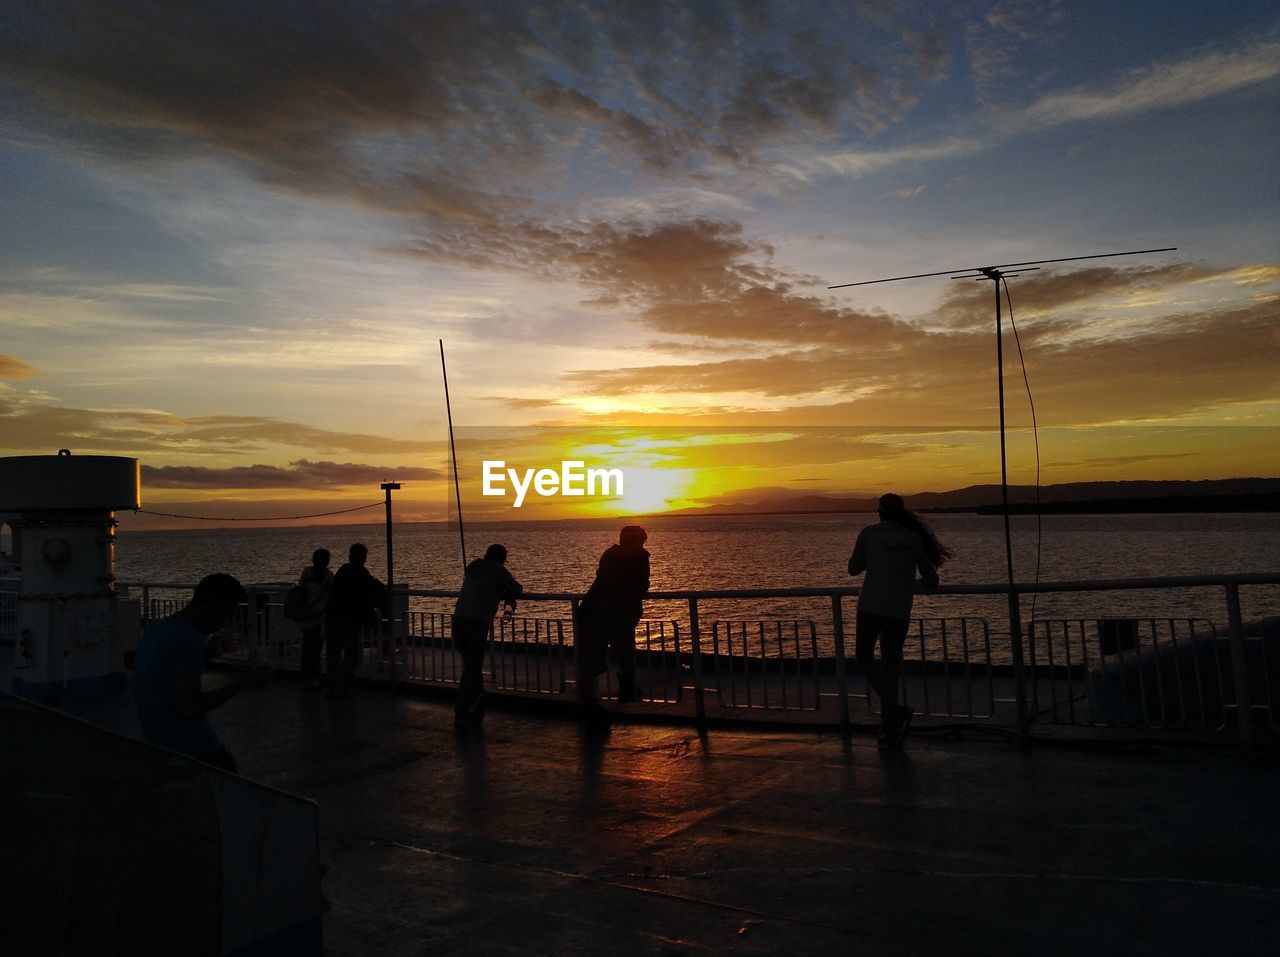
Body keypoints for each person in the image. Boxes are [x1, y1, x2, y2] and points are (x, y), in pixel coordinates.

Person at [133, 573, 273, 773]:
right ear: (214, 606)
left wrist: (210, 653)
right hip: (195, 748)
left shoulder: (157, 629)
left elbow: (169, 672)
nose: (224, 623)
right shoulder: (189, 639)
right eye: (227, 614)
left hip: (158, 743)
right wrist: (245, 682)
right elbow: (191, 706)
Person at [848, 493, 950, 749]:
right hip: (898, 610)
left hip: (870, 606)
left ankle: (893, 715)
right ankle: (889, 726)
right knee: (891, 668)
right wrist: (913, 583)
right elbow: (931, 578)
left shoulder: (869, 534)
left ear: (879, 512)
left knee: (864, 659)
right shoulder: (913, 539)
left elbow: (853, 568)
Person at [575, 525, 650, 728]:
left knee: (589, 663)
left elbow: (602, 575)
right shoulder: (640, 556)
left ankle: (589, 705)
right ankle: (626, 693)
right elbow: (642, 585)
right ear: (638, 541)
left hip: (592, 610)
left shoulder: (609, 553)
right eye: (642, 541)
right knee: (625, 651)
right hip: (618, 613)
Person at [451, 544, 523, 732]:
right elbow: (517, 588)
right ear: (502, 559)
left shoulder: (474, 566)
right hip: (477, 622)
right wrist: (505, 594)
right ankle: (462, 709)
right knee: (472, 666)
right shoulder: (498, 570)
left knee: (471, 665)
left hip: (458, 619)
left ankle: (479, 699)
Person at [324, 543, 386, 698]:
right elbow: (374, 586)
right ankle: (344, 687)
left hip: (332, 618)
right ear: (363, 558)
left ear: (350, 556)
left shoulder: (342, 570)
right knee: (351, 654)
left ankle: (332, 688)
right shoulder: (360, 572)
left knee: (333, 655)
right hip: (348, 620)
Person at [297, 548, 334, 689]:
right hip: (316, 616)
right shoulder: (328, 576)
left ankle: (308, 676)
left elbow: (302, 590)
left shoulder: (307, 572)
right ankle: (312, 677)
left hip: (306, 615)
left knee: (309, 647)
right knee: (314, 648)